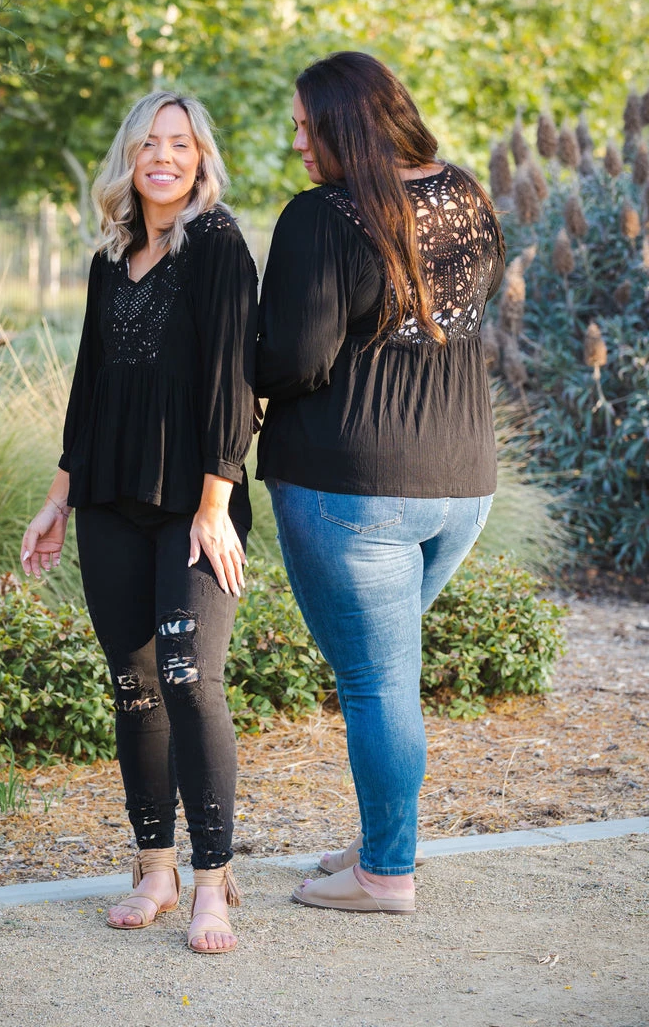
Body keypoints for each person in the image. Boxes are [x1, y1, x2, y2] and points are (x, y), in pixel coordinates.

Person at [255, 52, 504, 914]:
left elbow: (295, 359)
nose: (297, 144)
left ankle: (385, 874)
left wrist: (230, 361)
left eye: (305, 127)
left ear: (345, 123)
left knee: (375, 684)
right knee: (386, 676)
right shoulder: (467, 195)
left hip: (353, 486)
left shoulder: (322, 215)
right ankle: (378, 843)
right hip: (463, 484)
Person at [21, 91, 257, 952]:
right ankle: (155, 868)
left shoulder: (219, 243)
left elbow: (235, 381)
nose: (164, 157)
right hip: (109, 500)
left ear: (201, 158)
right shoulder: (109, 258)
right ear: (129, 157)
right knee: (135, 683)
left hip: (195, 505)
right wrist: (57, 500)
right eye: (149, 143)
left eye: (180, 143)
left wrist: (214, 505)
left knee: (191, 678)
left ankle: (213, 880)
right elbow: (87, 392)